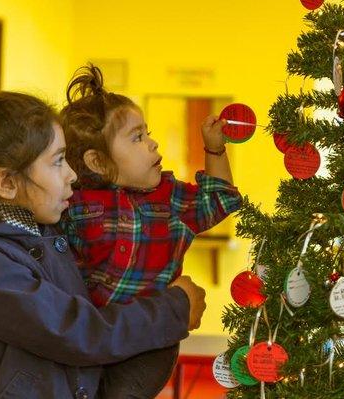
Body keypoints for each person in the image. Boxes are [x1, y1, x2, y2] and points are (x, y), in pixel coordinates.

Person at [0, 88, 206, 399]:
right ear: (7, 183)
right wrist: (175, 308)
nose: (72, 175)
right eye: (58, 161)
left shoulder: (41, 231)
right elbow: (75, 332)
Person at [59, 64, 242, 397]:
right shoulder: (74, 200)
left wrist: (214, 149)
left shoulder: (170, 197)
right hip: (91, 338)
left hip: (149, 344)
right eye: (138, 137)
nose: (154, 143)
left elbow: (219, 200)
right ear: (98, 163)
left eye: (148, 132)